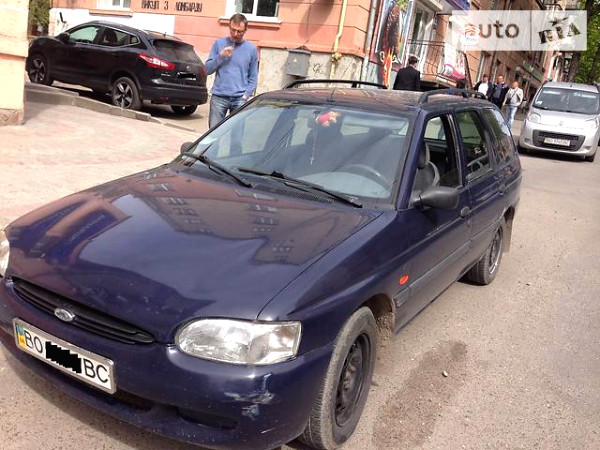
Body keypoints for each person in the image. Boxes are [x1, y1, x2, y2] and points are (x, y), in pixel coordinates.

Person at [205, 13, 258, 129]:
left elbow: (253, 77)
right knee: (213, 134)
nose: (235, 34)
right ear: (229, 27)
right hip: (219, 97)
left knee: (237, 135)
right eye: (232, 30)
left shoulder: (251, 49)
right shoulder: (219, 44)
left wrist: (246, 95)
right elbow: (207, 69)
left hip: (239, 99)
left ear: (245, 30)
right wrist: (220, 56)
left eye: (239, 31)